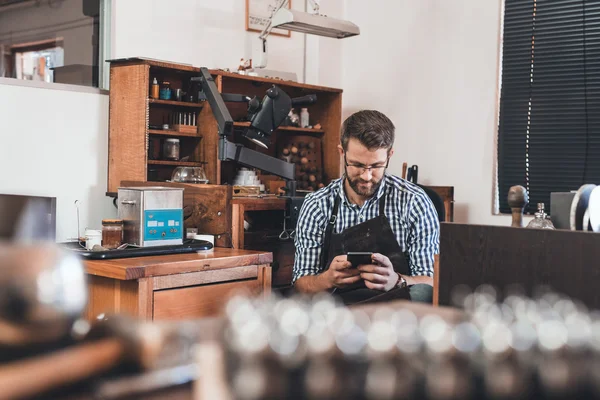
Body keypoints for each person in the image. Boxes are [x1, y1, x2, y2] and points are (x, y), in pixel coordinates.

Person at [292, 110, 440, 304]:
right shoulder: (317, 205)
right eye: (357, 164)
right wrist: (327, 279)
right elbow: (301, 283)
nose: (366, 176)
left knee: (422, 294)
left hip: (397, 315)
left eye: (376, 166)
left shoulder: (414, 202)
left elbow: (431, 283)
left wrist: (397, 281)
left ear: (389, 155)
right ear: (342, 153)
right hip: (337, 315)